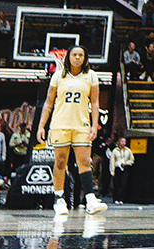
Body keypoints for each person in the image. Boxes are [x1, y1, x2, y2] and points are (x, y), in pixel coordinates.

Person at [37, 46, 107, 216]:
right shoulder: (58, 76)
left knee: (84, 161)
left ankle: (90, 199)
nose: (77, 57)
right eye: (74, 55)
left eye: (80, 55)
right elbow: (48, 102)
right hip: (60, 124)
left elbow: (95, 103)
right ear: (68, 57)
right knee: (60, 162)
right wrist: (41, 126)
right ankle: (59, 199)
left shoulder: (91, 76)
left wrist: (94, 124)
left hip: (81, 124)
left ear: (85, 57)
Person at [109, 137, 135, 203]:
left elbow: (132, 159)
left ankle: (121, 198)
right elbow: (112, 161)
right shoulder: (115, 151)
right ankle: (116, 198)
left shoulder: (128, 150)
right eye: (122, 142)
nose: (123, 143)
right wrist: (112, 171)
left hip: (124, 168)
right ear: (119, 142)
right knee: (116, 184)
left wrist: (127, 163)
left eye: (124, 142)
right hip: (117, 168)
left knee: (123, 183)